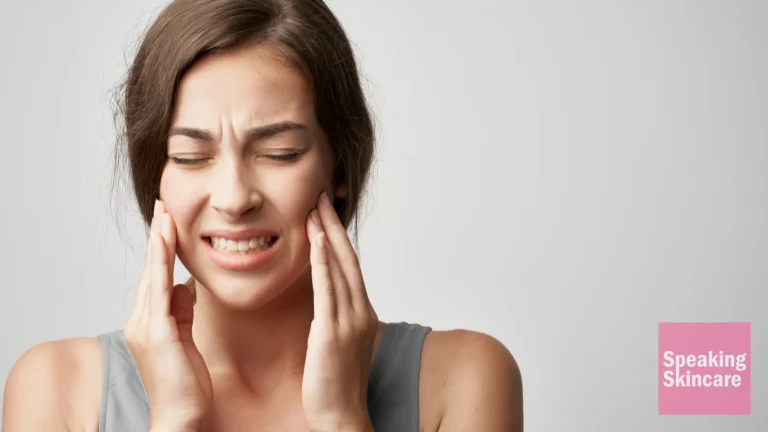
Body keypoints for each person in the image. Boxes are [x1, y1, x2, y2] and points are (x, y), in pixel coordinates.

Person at [2, 0, 523, 430]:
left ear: (339, 167)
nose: (233, 198)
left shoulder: (462, 379)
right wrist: (175, 421)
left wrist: (344, 419)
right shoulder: (57, 389)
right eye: (190, 157)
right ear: (155, 177)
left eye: (280, 154)